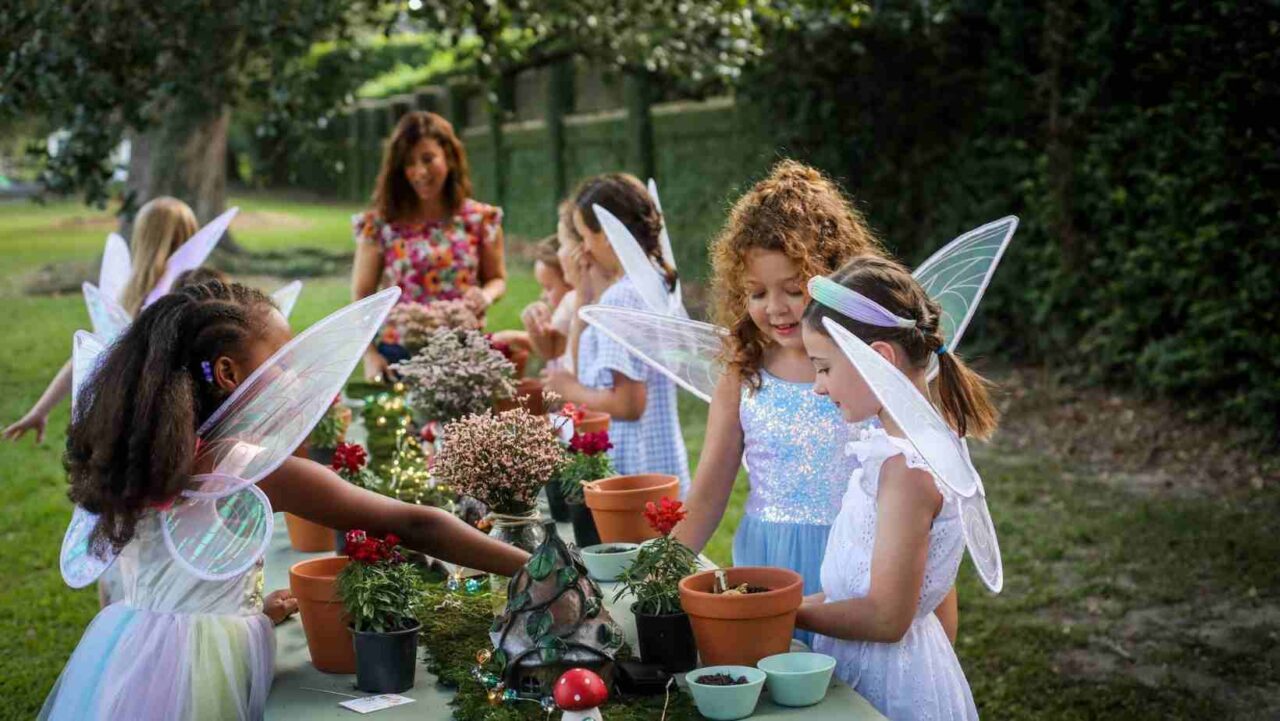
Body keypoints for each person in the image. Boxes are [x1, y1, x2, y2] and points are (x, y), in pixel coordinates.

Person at [39, 281, 528, 720]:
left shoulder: (143, 454)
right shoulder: (245, 467)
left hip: (131, 650)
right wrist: (536, 565)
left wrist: (247, 613)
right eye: (284, 360)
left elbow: (175, 578)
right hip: (198, 674)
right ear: (229, 373)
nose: (296, 376)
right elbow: (415, 524)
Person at [670, 162, 895, 615]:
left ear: (836, 276)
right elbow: (710, 492)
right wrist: (656, 571)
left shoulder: (869, 369)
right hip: (767, 560)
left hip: (854, 559)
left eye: (794, 289)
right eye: (756, 293)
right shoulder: (744, 371)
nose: (775, 308)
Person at [798, 255, 999, 719]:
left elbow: (887, 618)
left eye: (824, 367)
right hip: (876, 665)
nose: (818, 387)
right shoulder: (898, 446)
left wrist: (789, 615)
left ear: (880, 358)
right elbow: (862, 586)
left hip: (891, 688)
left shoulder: (907, 470)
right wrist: (783, 599)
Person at [4, 197, 198, 443]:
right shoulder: (193, 293)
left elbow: (91, 352)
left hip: (125, 420)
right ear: (192, 235)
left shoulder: (129, 293)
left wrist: (40, 410)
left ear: (141, 238)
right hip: (173, 423)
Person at [543, 174, 690, 493]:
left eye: (584, 236)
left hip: (632, 469)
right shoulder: (654, 282)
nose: (583, 248)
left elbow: (628, 403)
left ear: (608, 236)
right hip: (661, 462)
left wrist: (567, 388)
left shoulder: (620, 299)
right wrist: (583, 296)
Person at [352, 111, 507, 381]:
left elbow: (496, 279)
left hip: (464, 354)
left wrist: (486, 296)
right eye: (409, 163)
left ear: (448, 156)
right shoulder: (381, 225)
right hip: (398, 356)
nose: (420, 172)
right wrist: (370, 356)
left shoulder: (479, 220)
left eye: (428, 159)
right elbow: (362, 297)